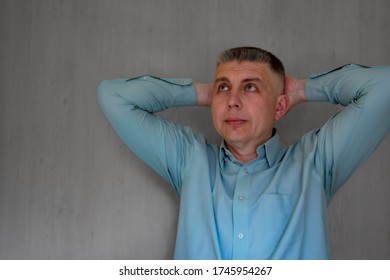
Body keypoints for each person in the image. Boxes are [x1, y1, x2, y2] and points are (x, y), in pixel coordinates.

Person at [97, 47, 390, 259]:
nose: (233, 101)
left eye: (250, 87)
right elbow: (113, 96)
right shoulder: (189, 159)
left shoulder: (315, 162)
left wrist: (301, 89)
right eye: (224, 87)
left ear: (279, 107)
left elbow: (384, 86)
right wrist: (205, 94)